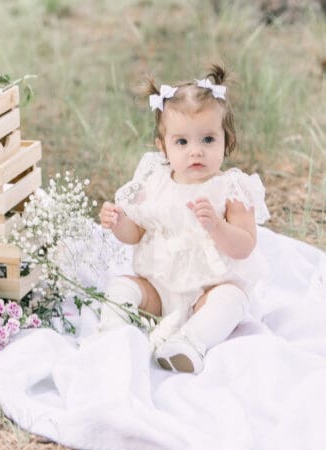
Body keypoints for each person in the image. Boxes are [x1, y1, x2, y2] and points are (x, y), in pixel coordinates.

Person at [98, 65, 269, 374]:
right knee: (122, 286)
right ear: (162, 147)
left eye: (207, 139)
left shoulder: (231, 187)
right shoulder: (154, 179)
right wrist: (118, 222)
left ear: (226, 141)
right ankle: (113, 333)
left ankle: (190, 342)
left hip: (207, 290)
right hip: (159, 287)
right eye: (182, 142)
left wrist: (217, 226)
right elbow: (136, 232)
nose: (196, 152)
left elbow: (245, 246)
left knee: (231, 300)